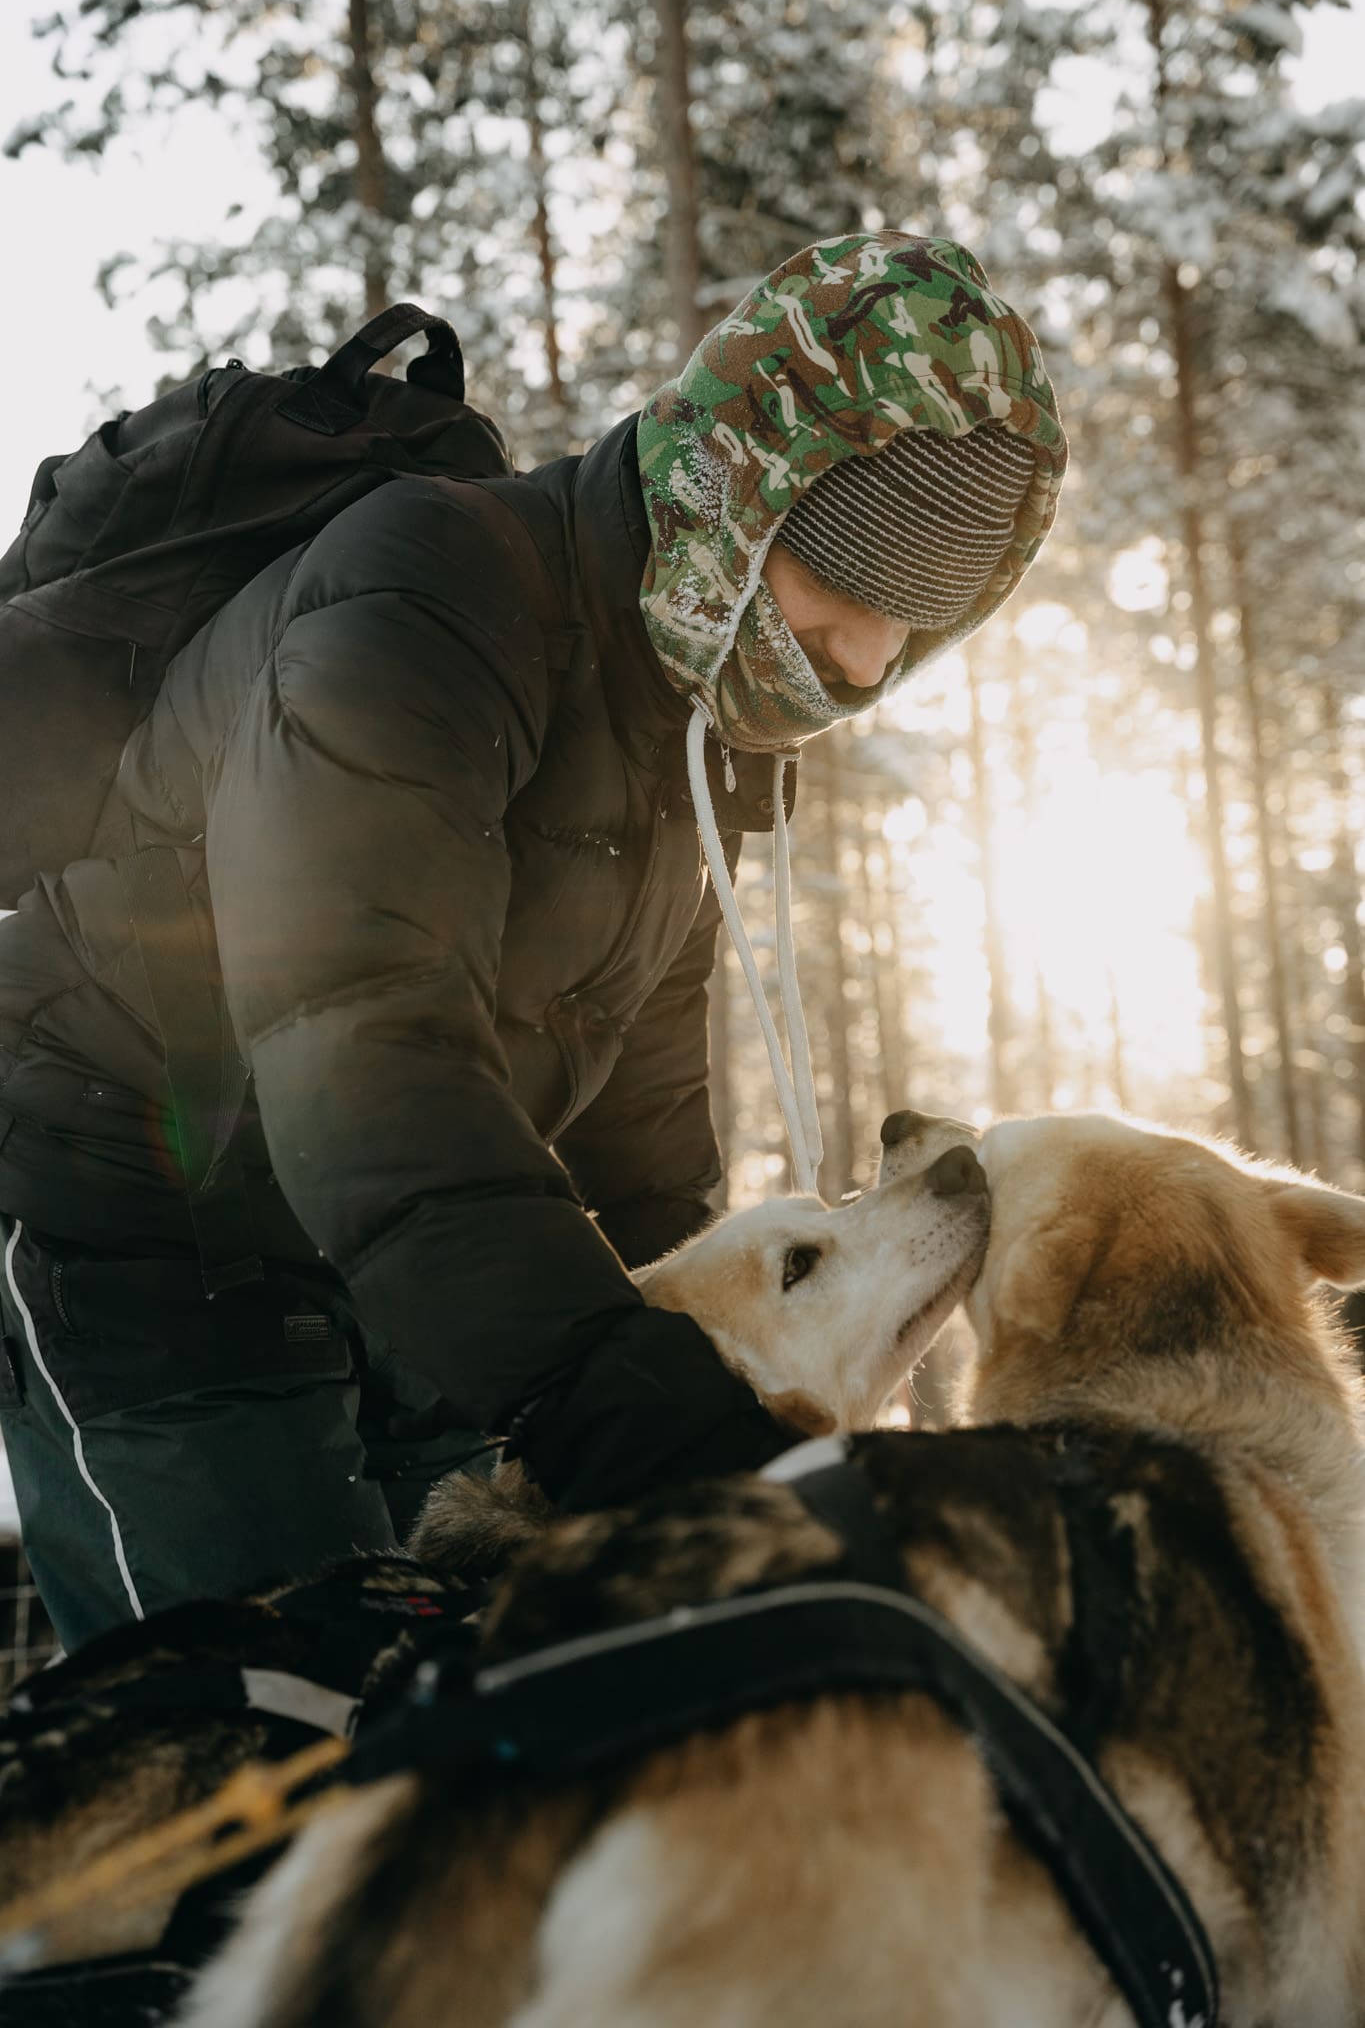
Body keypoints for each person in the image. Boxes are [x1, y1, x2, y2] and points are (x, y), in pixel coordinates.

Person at [0, 232, 1066, 1649]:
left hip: (411, 1263)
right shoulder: (422, 593)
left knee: (509, 1716)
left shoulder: (693, 733)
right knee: (280, 1753)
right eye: (842, 582)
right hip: (146, 1235)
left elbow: (638, 1149)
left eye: (913, 622)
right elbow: (357, 1029)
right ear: (735, 492)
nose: (863, 661)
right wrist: (601, 1391)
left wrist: (711, 1390)